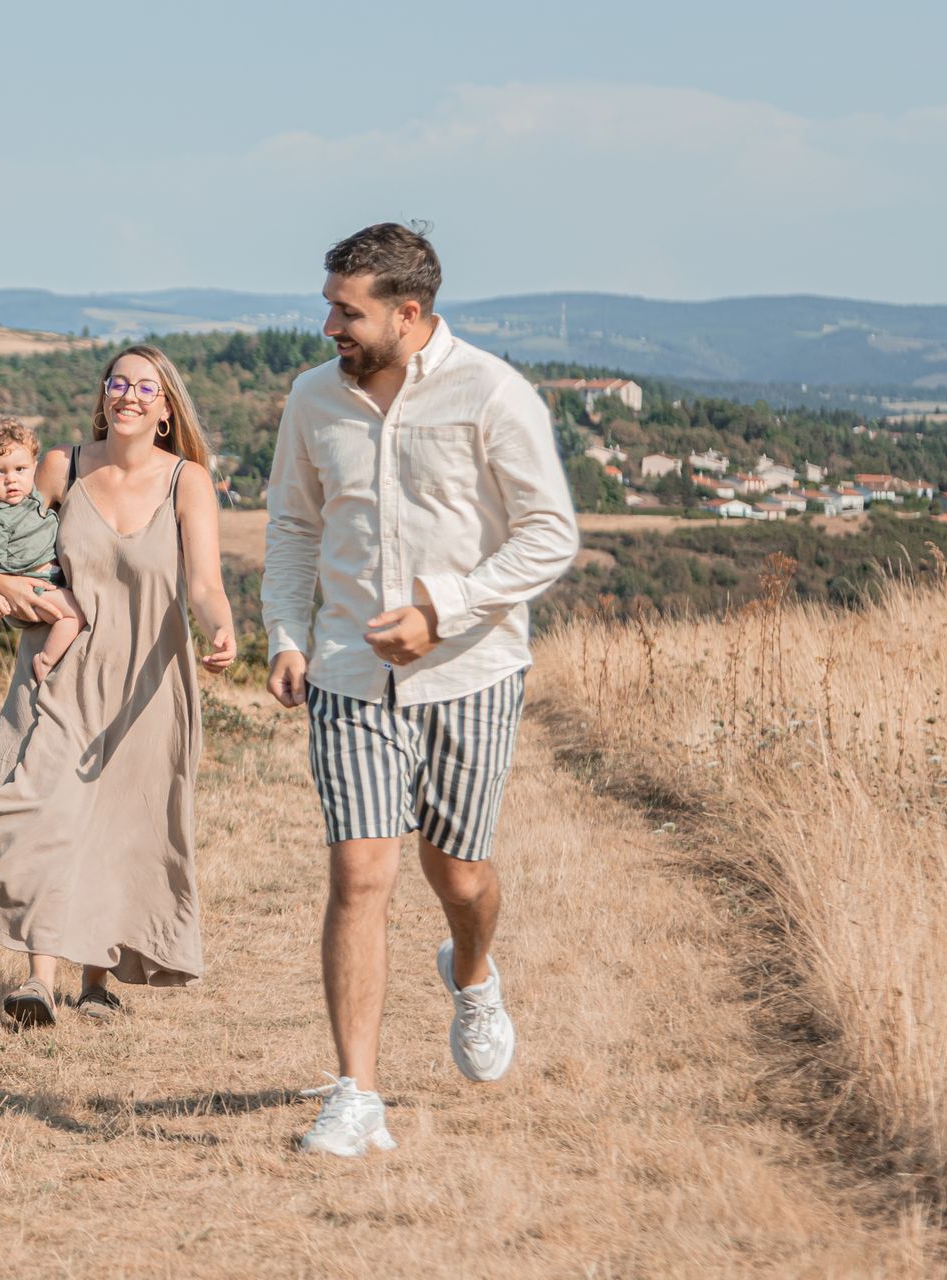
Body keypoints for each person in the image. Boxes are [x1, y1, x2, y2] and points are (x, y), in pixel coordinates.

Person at [262, 223, 580, 1156]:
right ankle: (355, 1094)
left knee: (459, 875)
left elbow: (548, 535)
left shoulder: (493, 393)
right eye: (329, 305)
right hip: (349, 677)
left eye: (346, 311)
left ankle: (473, 974)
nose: (329, 326)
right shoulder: (313, 400)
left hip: (470, 674)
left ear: (409, 313)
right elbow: (290, 529)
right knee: (361, 873)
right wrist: (288, 633)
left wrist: (445, 609)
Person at [0, 345, 237, 1026]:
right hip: (59, 668)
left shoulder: (187, 481)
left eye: (146, 387)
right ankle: (36, 980)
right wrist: (12, 592)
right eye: (118, 382)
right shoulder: (63, 465)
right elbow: (7, 540)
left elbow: (205, 584)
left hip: (148, 676)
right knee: (44, 808)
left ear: (166, 408)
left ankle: (95, 979)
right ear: (104, 395)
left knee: (120, 826)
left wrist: (220, 630)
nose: (130, 394)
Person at [0, 416, 86, 683]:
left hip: (49, 580)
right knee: (75, 615)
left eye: (20, 469)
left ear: (34, 467)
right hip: (33, 587)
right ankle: (46, 662)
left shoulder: (28, 500)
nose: (11, 480)